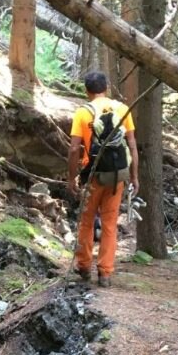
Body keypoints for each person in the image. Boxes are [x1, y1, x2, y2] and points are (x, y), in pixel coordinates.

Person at [67, 71, 140, 287]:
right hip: (117, 175)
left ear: (87, 91)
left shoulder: (83, 113)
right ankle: (105, 273)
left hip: (93, 175)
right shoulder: (122, 109)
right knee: (109, 223)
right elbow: (132, 145)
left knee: (86, 221)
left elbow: (73, 149)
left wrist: (72, 178)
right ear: (106, 88)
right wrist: (134, 176)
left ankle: (83, 266)